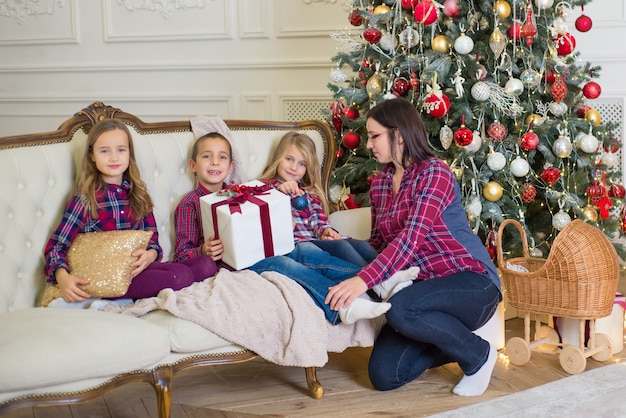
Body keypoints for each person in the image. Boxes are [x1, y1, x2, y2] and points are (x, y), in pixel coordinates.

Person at [325, 97, 502, 397]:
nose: (368, 145)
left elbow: (409, 241)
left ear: (400, 134)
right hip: (424, 294)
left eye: (374, 136)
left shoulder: (434, 173)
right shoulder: (380, 184)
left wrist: (361, 281)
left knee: (402, 309)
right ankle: (454, 336)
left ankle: (479, 355)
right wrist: (345, 242)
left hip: (471, 282)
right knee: (385, 375)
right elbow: (381, 244)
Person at [173, 130, 407, 325]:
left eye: (222, 157)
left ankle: (379, 278)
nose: (215, 162)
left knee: (310, 252)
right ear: (193, 165)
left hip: (271, 247)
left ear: (230, 165)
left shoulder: (244, 191)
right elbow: (182, 254)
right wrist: (202, 252)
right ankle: (355, 296)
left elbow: (267, 223)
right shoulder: (189, 205)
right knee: (286, 263)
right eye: (207, 156)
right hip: (239, 263)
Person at [44, 119, 215, 303]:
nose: (114, 157)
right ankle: (110, 297)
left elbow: (153, 243)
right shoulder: (85, 199)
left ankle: (139, 291)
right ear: (92, 155)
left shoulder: (138, 194)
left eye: (121, 150)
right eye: (104, 151)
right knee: (179, 275)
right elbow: (56, 246)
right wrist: (63, 278)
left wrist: (149, 255)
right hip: (105, 278)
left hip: (136, 271)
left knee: (206, 264)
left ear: (129, 153)